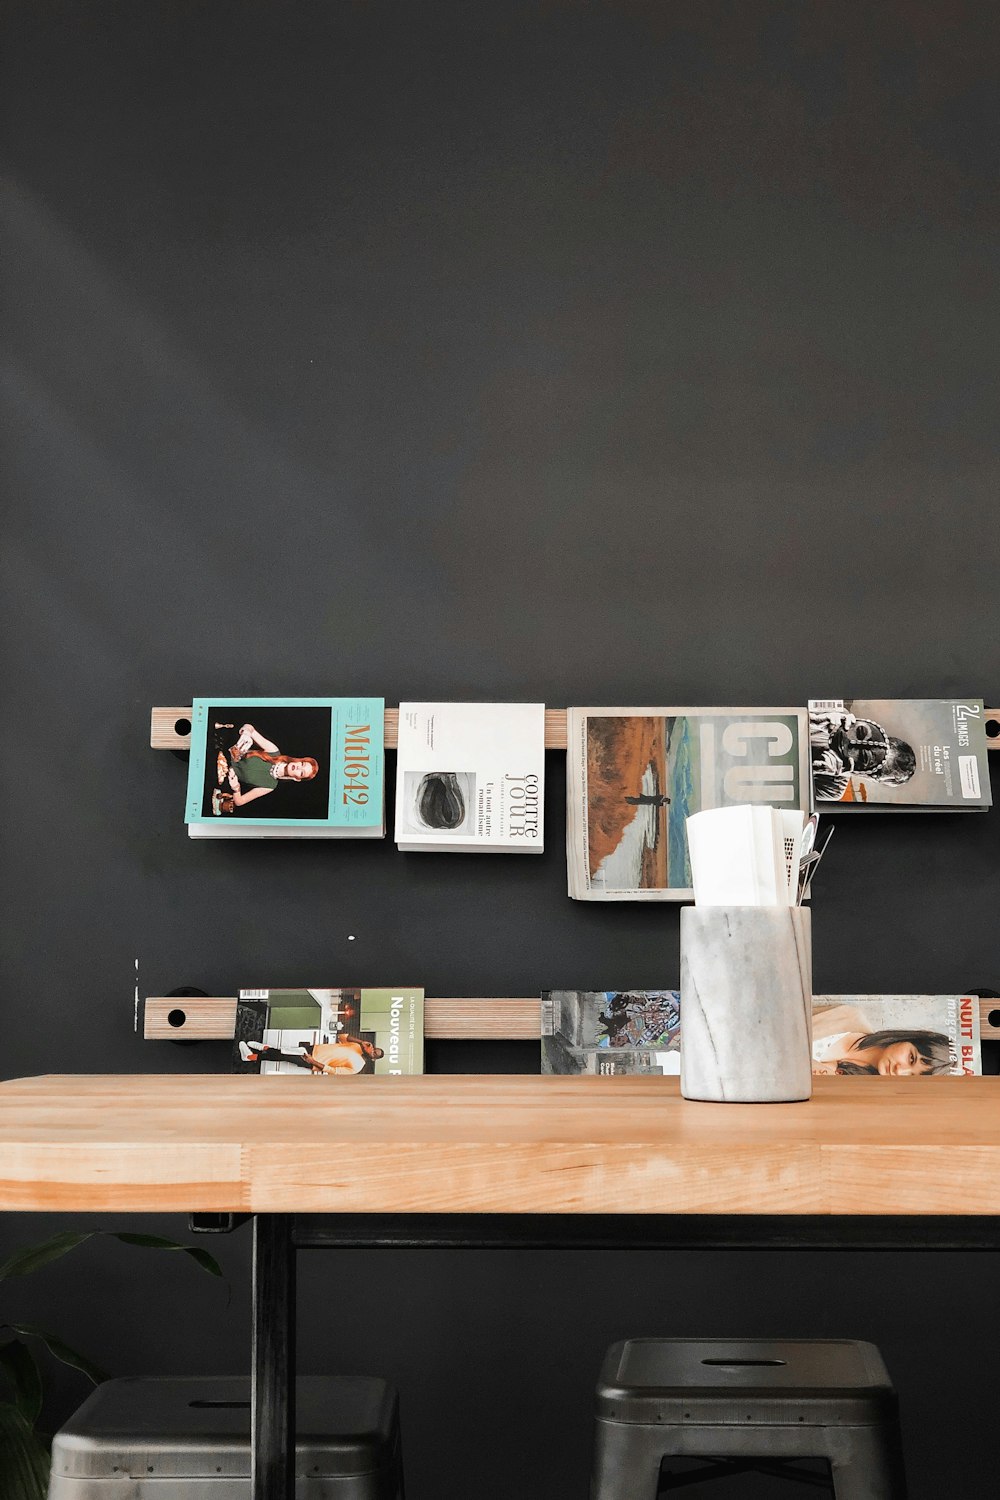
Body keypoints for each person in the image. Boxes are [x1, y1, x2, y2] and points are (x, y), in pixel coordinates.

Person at [809, 705, 915, 801]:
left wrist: (815, 769)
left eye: (874, 773)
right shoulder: (839, 716)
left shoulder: (834, 790)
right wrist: (812, 720)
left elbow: (795, 799)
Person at [811, 1003, 952, 1076]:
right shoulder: (849, 1017)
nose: (900, 1071)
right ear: (911, 1038)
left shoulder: (858, 1092)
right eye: (911, 1058)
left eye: (910, 1076)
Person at [214, 722, 319, 813]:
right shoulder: (274, 752)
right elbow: (249, 727)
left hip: (218, 775)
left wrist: (236, 788)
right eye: (302, 764)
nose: (298, 768)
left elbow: (240, 802)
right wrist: (246, 733)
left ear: (297, 779)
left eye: (301, 773)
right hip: (219, 750)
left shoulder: (270, 786)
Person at [239, 1035, 384, 1074]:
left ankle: (250, 1057)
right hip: (313, 1048)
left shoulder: (358, 1066)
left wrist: (312, 1061)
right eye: (374, 1048)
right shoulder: (357, 1046)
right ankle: (265, 1048)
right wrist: (361, 1042)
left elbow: (333, 1071)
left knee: (283, 1056)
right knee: (285, 1051)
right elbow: (342, 1036)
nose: (372, 1050)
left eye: (374, 1053)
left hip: (312, 1059)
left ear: (373, 1058)